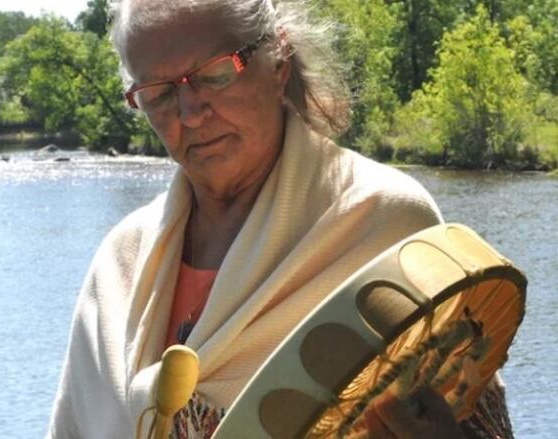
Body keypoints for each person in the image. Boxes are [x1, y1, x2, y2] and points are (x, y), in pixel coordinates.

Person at [47, 0, 513, 437]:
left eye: (213, 74)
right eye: (159, 93)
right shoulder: (118, 264)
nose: (190, 113)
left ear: (278, 61)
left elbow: (471, 416)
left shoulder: (383, 221)